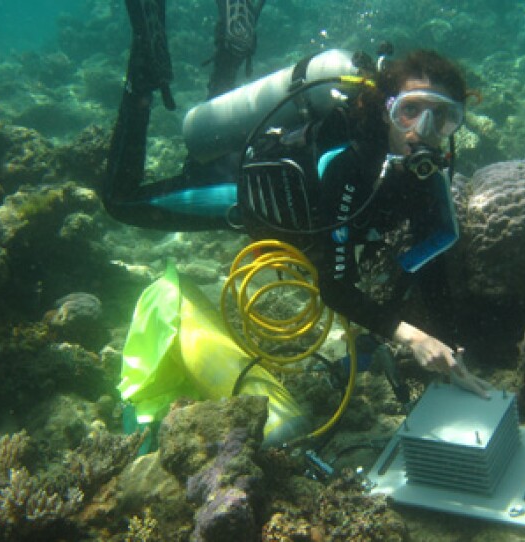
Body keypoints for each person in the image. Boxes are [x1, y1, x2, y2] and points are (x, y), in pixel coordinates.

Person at [104, 0, 489, 397]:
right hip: (239, 191)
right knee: (122, 204)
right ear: (387, 108)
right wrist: (413, 338)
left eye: (442, 118)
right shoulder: (352, 165)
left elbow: (431, 269)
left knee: (207, 135)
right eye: (411, 111)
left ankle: (231, 51)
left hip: (282, 191)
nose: (422, 131)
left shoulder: (422, 177)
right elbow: (335, 287)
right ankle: (142, 80)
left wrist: (452, 350)